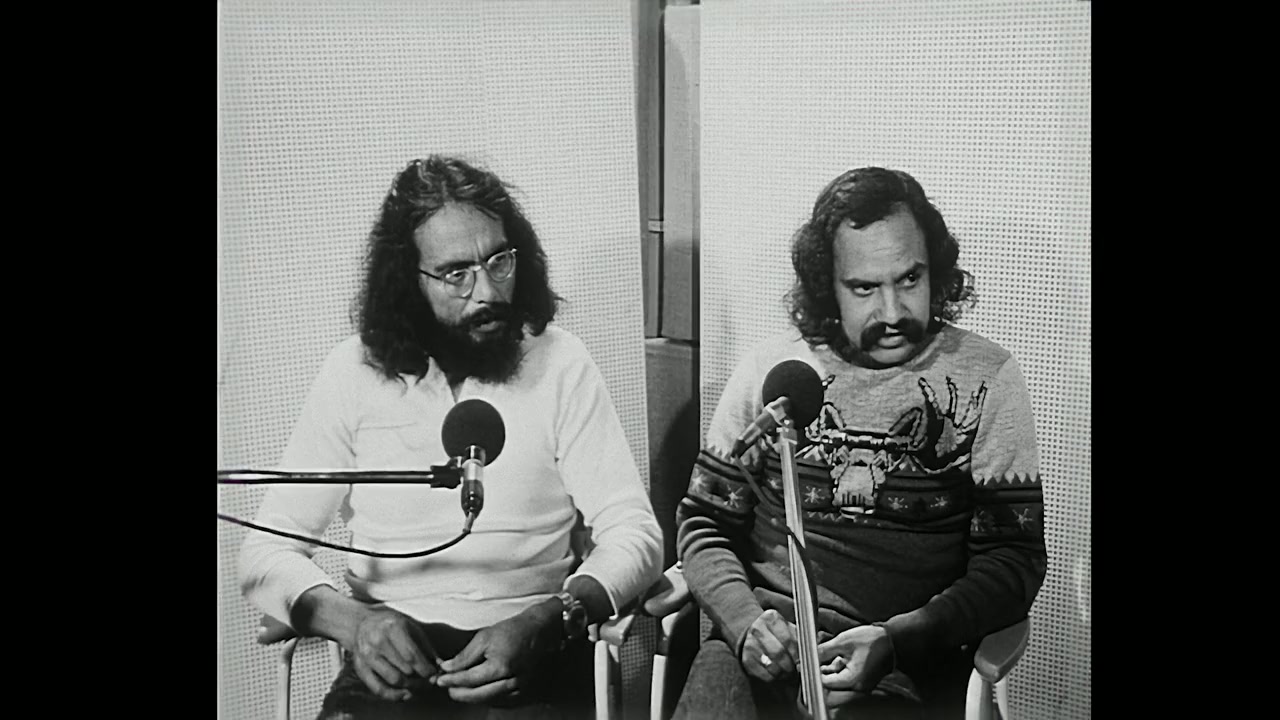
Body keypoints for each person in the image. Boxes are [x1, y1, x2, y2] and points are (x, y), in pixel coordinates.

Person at [239, 155, 663, 720]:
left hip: (534, 654)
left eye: (499, 261)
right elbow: (265, 551)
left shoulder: (561, 363)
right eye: (456, 273)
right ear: (407, 283)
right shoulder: (352, 373)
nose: (487, 291)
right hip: (391, 668)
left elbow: (636, 534)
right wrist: (354, 624)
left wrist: (555, 617)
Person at [671, 167, 1047, 719]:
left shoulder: (988, 378)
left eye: (910, 279)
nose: (892, 313)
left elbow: (1013, 561)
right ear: (829, 287)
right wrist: (744, 622)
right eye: (865, 288)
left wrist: (897, 641)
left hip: (906, 669)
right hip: (762, 653)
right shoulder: (770, 372)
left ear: (935, 271)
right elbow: (704, 523)